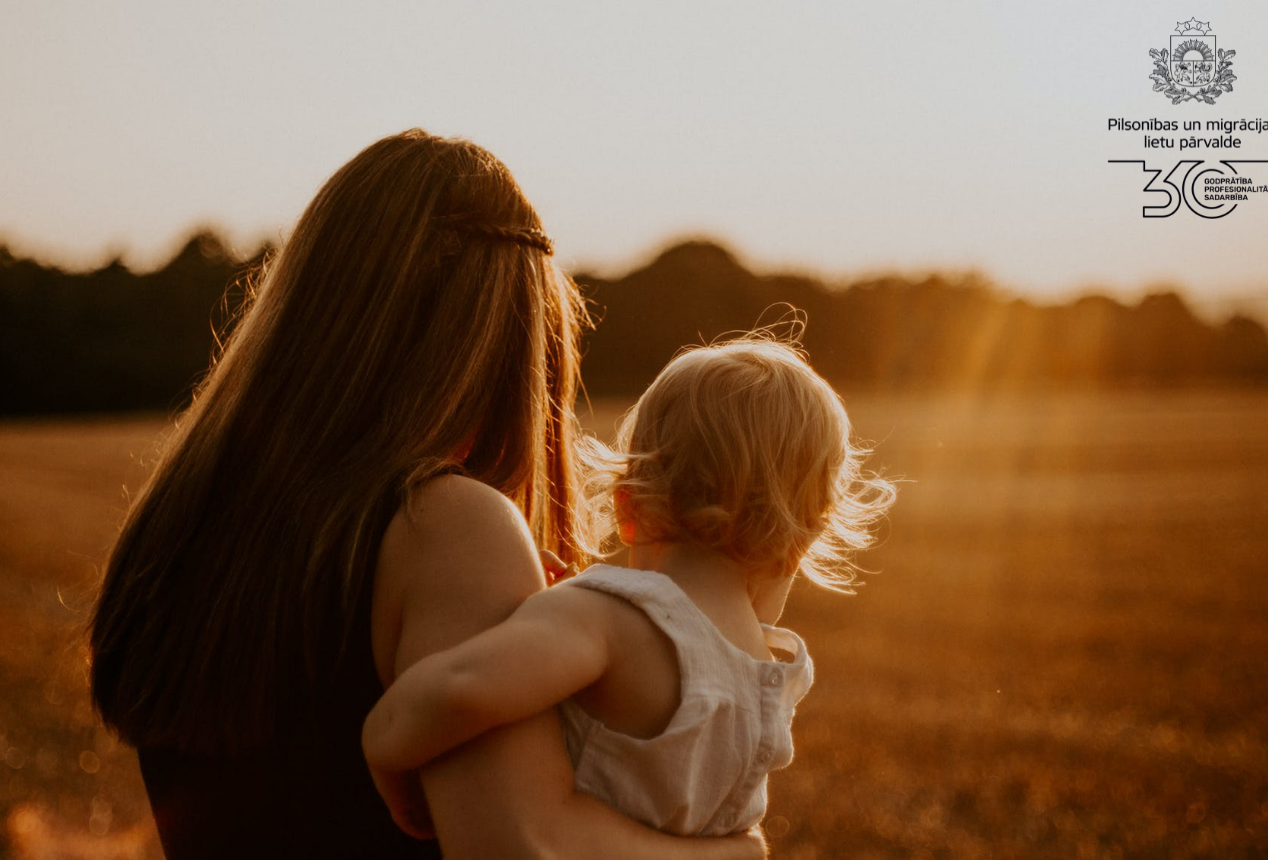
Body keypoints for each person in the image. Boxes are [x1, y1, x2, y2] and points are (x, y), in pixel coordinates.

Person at [87, 129, 767, 859]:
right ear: (507, 343)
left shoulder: (184, 523)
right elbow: (520, 848)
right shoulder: (446, 526)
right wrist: (728, 853)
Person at [363, 336, 897, 838]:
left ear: (628, 507)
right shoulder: (769, 676)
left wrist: (384, 743)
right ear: (800, 542)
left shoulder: (605, 621)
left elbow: (463, 685)